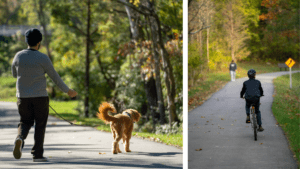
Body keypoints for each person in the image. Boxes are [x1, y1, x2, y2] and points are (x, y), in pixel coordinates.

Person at [11, 28, 78, 162]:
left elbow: (14, 74)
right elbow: (55, 78)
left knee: (25, 122)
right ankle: (37, 154)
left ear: (27, 41)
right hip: (40, 97)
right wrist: (68, 91)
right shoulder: (43, 57)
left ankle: (20, 138)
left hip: (22, 97)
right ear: (39, 42)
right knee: (40, 124)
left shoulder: (18, 56)